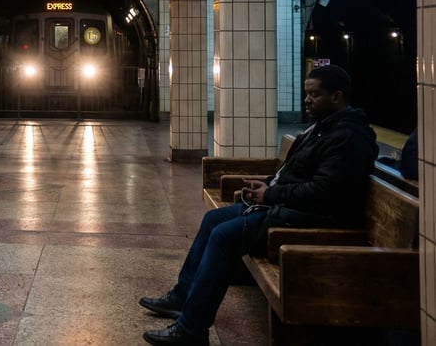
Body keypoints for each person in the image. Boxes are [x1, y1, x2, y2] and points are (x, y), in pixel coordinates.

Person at [139, 64, 378, 345]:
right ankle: (181, 297)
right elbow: (294, 174)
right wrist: (266, 184)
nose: (307, 100)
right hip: (288, 208)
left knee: (223, 237)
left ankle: (192, 328)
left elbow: (325, 191)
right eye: (306, 94)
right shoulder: (323, 128)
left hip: (309, 219)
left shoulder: (348, 136)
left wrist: (272, 194)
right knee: (212, 221)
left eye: (315, 95)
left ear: (337, 97)